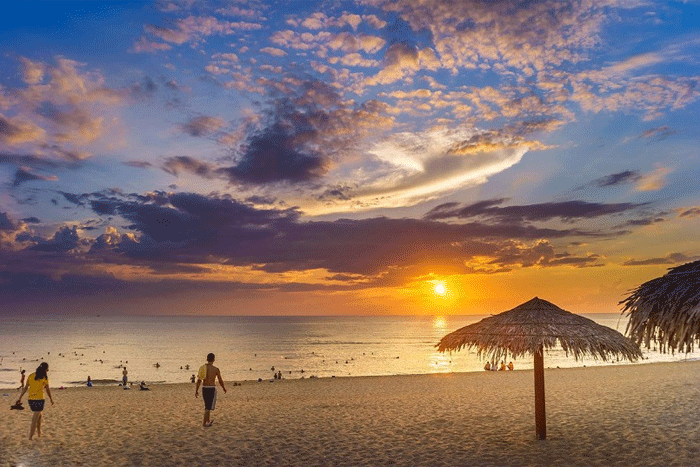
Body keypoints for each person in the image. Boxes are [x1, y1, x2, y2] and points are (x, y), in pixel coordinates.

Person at [16, 362, 54, 440]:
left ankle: (39, 433)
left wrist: (20, 397)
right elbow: (47, 389)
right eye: (47, 370)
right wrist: (51, 399)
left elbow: (26, 388)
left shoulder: (31, 375)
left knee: (39, 415)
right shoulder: (45, 377)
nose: (47, 371)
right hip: (40, 400)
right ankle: (30, 437)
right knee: (35, 418)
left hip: (31, 400)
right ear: (45, 369)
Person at [195, 353, 227, 427]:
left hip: (204, 388)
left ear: (207, 359)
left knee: (207, 405)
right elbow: (220, 380)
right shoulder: (216, 369)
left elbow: (199, 380)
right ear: (214, 359)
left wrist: (196, 390)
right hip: (211, 388)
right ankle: (204, 423)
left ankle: (208, 421)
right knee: (208, 407)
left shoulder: (203, 368)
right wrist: (223, 388)